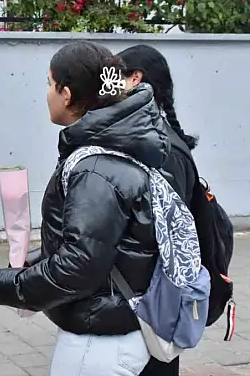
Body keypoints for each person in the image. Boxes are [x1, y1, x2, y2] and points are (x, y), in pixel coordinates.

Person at [0, 41, 173, 375]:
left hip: (98, 343)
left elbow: (80, 264)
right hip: (114, 328)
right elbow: (99, 244)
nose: (47, 94)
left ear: (67, 94)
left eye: (49, 84)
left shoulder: (94, 168)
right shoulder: (118, 146)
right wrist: (35, 263)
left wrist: (11, 285)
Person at [119, 44, 198, 376]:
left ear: (135, 79)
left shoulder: (162, 150)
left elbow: (164, 228)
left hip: (154, 295)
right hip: (147, 292)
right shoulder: (149, 140)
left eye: (114, 76)